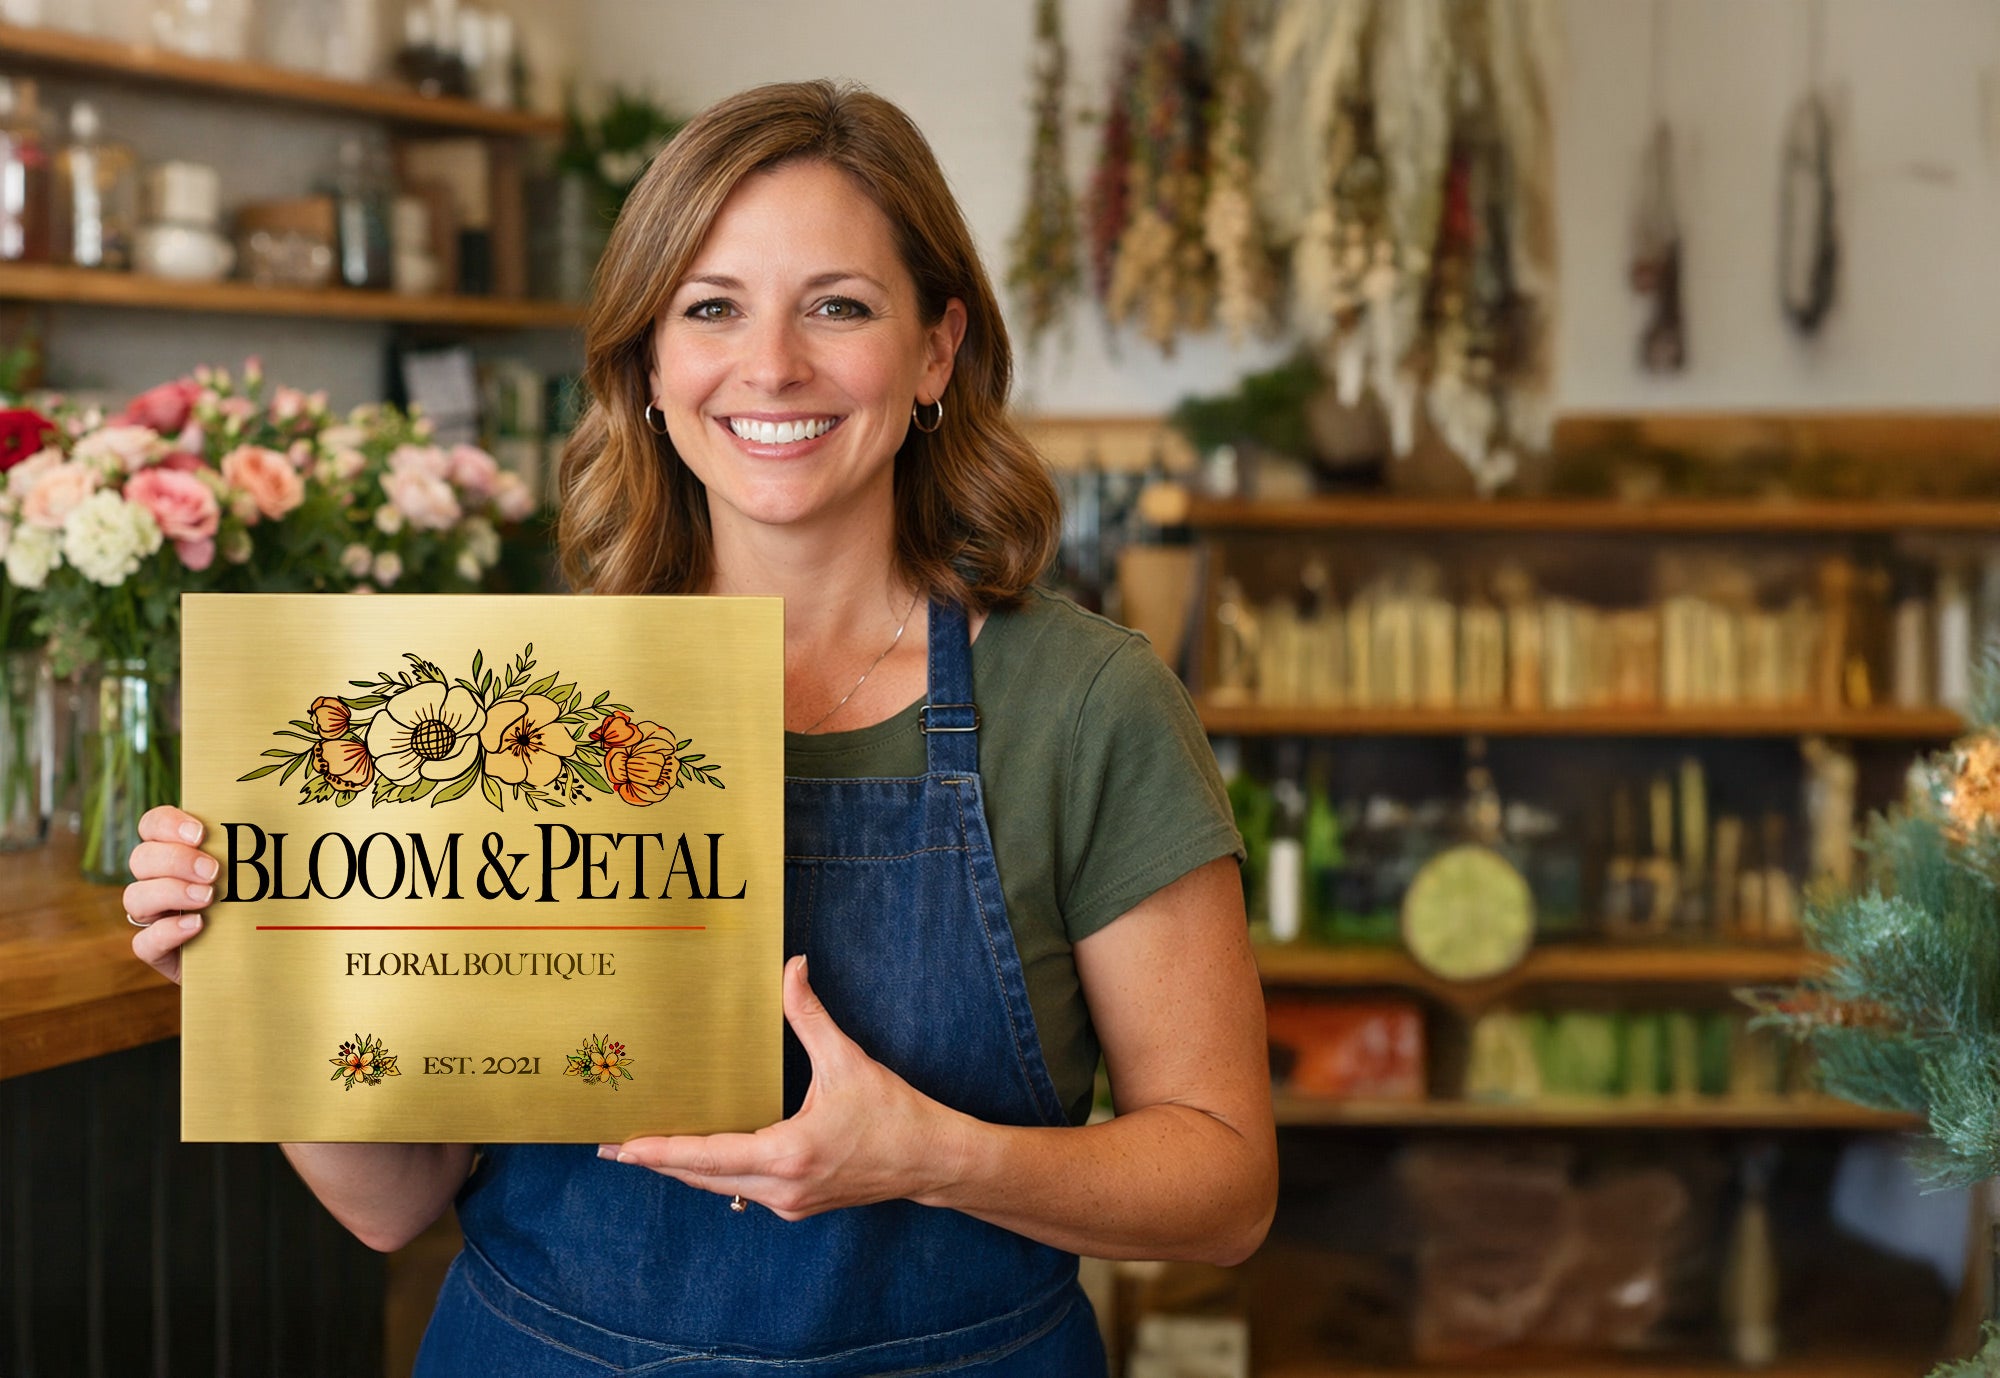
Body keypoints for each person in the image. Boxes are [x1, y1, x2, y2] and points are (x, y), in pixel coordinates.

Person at [126, 79, 1275, 1375]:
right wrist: (258, 976)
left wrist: (937, 1157)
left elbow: (1224, 1188)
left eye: (837, 305)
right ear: (652, 363)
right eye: (712, 308)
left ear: (937, 348)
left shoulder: (1085, 701)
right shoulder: (503, 707)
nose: (770, 365)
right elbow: (394, 1197)